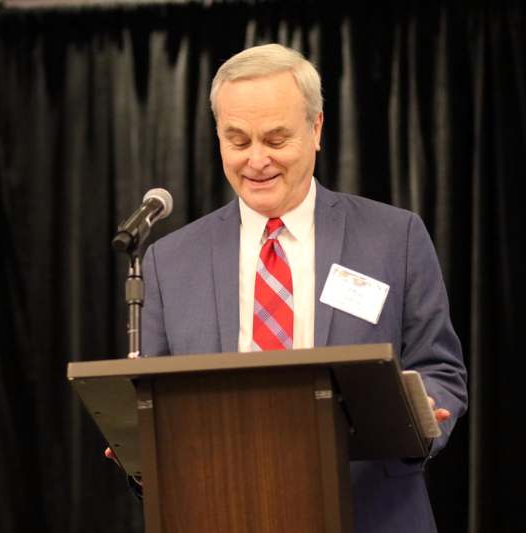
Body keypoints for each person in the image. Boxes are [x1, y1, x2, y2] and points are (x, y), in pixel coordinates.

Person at [138, 44, 467, 532]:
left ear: (316, 130)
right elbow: (154, 398)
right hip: (221, 512)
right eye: (237, 139)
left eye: (275, 139)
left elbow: (439, 368)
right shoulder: (169, 260)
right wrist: (139, 442)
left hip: (370, 511)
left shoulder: (394, 237)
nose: (256, 161)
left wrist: (423, 415)